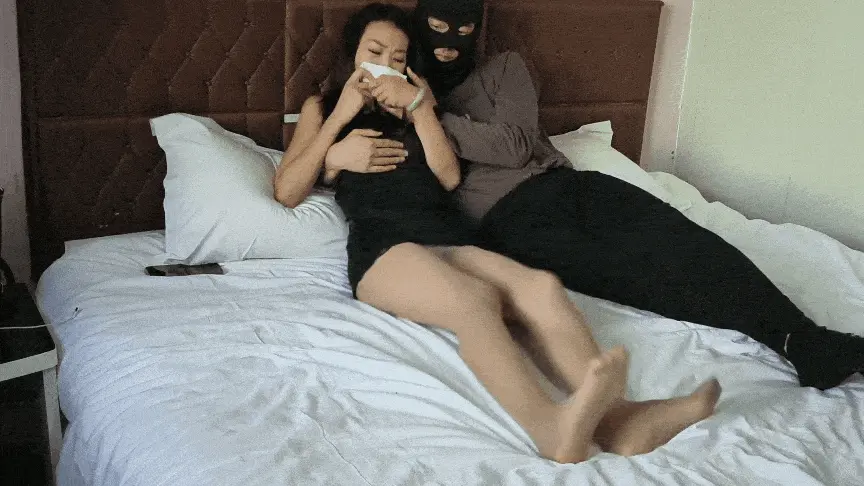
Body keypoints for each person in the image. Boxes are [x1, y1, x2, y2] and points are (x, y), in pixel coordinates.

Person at [274, 3, 720, 461]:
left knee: (541, 288)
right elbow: (287, 191)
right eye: (375, 51)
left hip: (447, 233)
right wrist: (336, 142)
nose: (385, 64)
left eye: (398, 57)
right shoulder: (322, 107)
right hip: (385, 245)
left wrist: (419, 108)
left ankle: (619, 420)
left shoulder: (417, 104)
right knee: (474, 300)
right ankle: (550, 430)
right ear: (353, 53)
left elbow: (448, 177)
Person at [362, 0, 861, 391]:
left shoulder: (504, 69)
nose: (449, 43)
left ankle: (804, 337)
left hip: (569, 184)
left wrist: (429, 112)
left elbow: (515, 146)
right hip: (508, 221)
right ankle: (791, 341)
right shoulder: (394, 107)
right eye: (437, 28)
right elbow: (422, 176)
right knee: (641, 275)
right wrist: (409, 110)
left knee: (686, 239)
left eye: (463, 29)